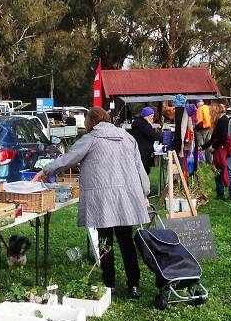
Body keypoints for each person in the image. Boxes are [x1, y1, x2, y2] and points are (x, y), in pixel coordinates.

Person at [32, 107, 150, 298]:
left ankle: (109, 283)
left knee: (105, 241)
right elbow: (140, 167)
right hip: (127, 196)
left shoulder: (91, 138)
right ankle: (133, 283)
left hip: (102, 199)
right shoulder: (127, 137)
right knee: (126, 241)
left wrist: (46, 170)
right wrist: (145, 192)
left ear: (91, 121)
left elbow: (68, 159)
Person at [202, 104, 231, 201]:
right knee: (217, 171)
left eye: (210, 111)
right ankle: (220, 193)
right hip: (220, 149)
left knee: (227, 170)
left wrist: (213, 147)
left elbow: (221, 137)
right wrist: (204, 147)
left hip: (225, 149)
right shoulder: (219, 121)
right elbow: (214, 137)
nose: (209, 113)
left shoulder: (224, 121)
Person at [129, 106, 163, 175]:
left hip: (139, 151)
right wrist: (164, 135)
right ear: (146, 116)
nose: (152, 117)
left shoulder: (139, 123)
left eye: (153, 116)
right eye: (151, 116)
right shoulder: (144, 126)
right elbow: (154, 136)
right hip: (143, 153)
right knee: (143, 172)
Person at [194, 99, 213, 164]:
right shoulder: (208, 107)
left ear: (197, 104)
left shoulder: (199, 109)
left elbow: (199, 122)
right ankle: (210, 161)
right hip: (210, 128)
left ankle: (202, 162)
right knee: (209, 145)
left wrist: (196, 129)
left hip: (202, 129)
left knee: (201, 145)